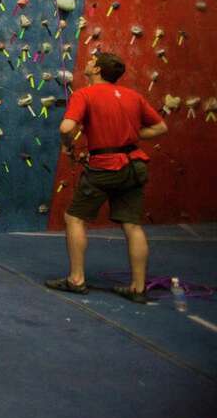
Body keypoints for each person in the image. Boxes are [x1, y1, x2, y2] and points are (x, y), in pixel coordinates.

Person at [46, 52, 167, 304]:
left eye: (91, 61)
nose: (88, 63)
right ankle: (138, 287)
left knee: (75, 218)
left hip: (105, 166)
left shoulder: (84, 94)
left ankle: (77, 279)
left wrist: (67, 145)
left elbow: (66, 128)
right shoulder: (133, 96)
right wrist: (131, 136)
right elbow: (160, 127)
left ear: (98, 69)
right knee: (132, 225)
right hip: (135, 164)